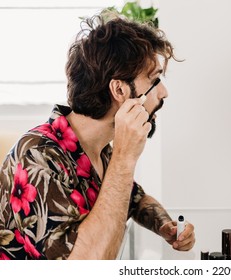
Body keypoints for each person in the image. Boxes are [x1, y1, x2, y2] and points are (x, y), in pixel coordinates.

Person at [0, 14, 195, 260]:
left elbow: (134, 198)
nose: (163, 92)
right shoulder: (36, 157)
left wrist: (165, 225)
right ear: (120, 90)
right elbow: (88, 265)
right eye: (154, 80)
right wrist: (125, 158)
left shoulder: (98, 148)